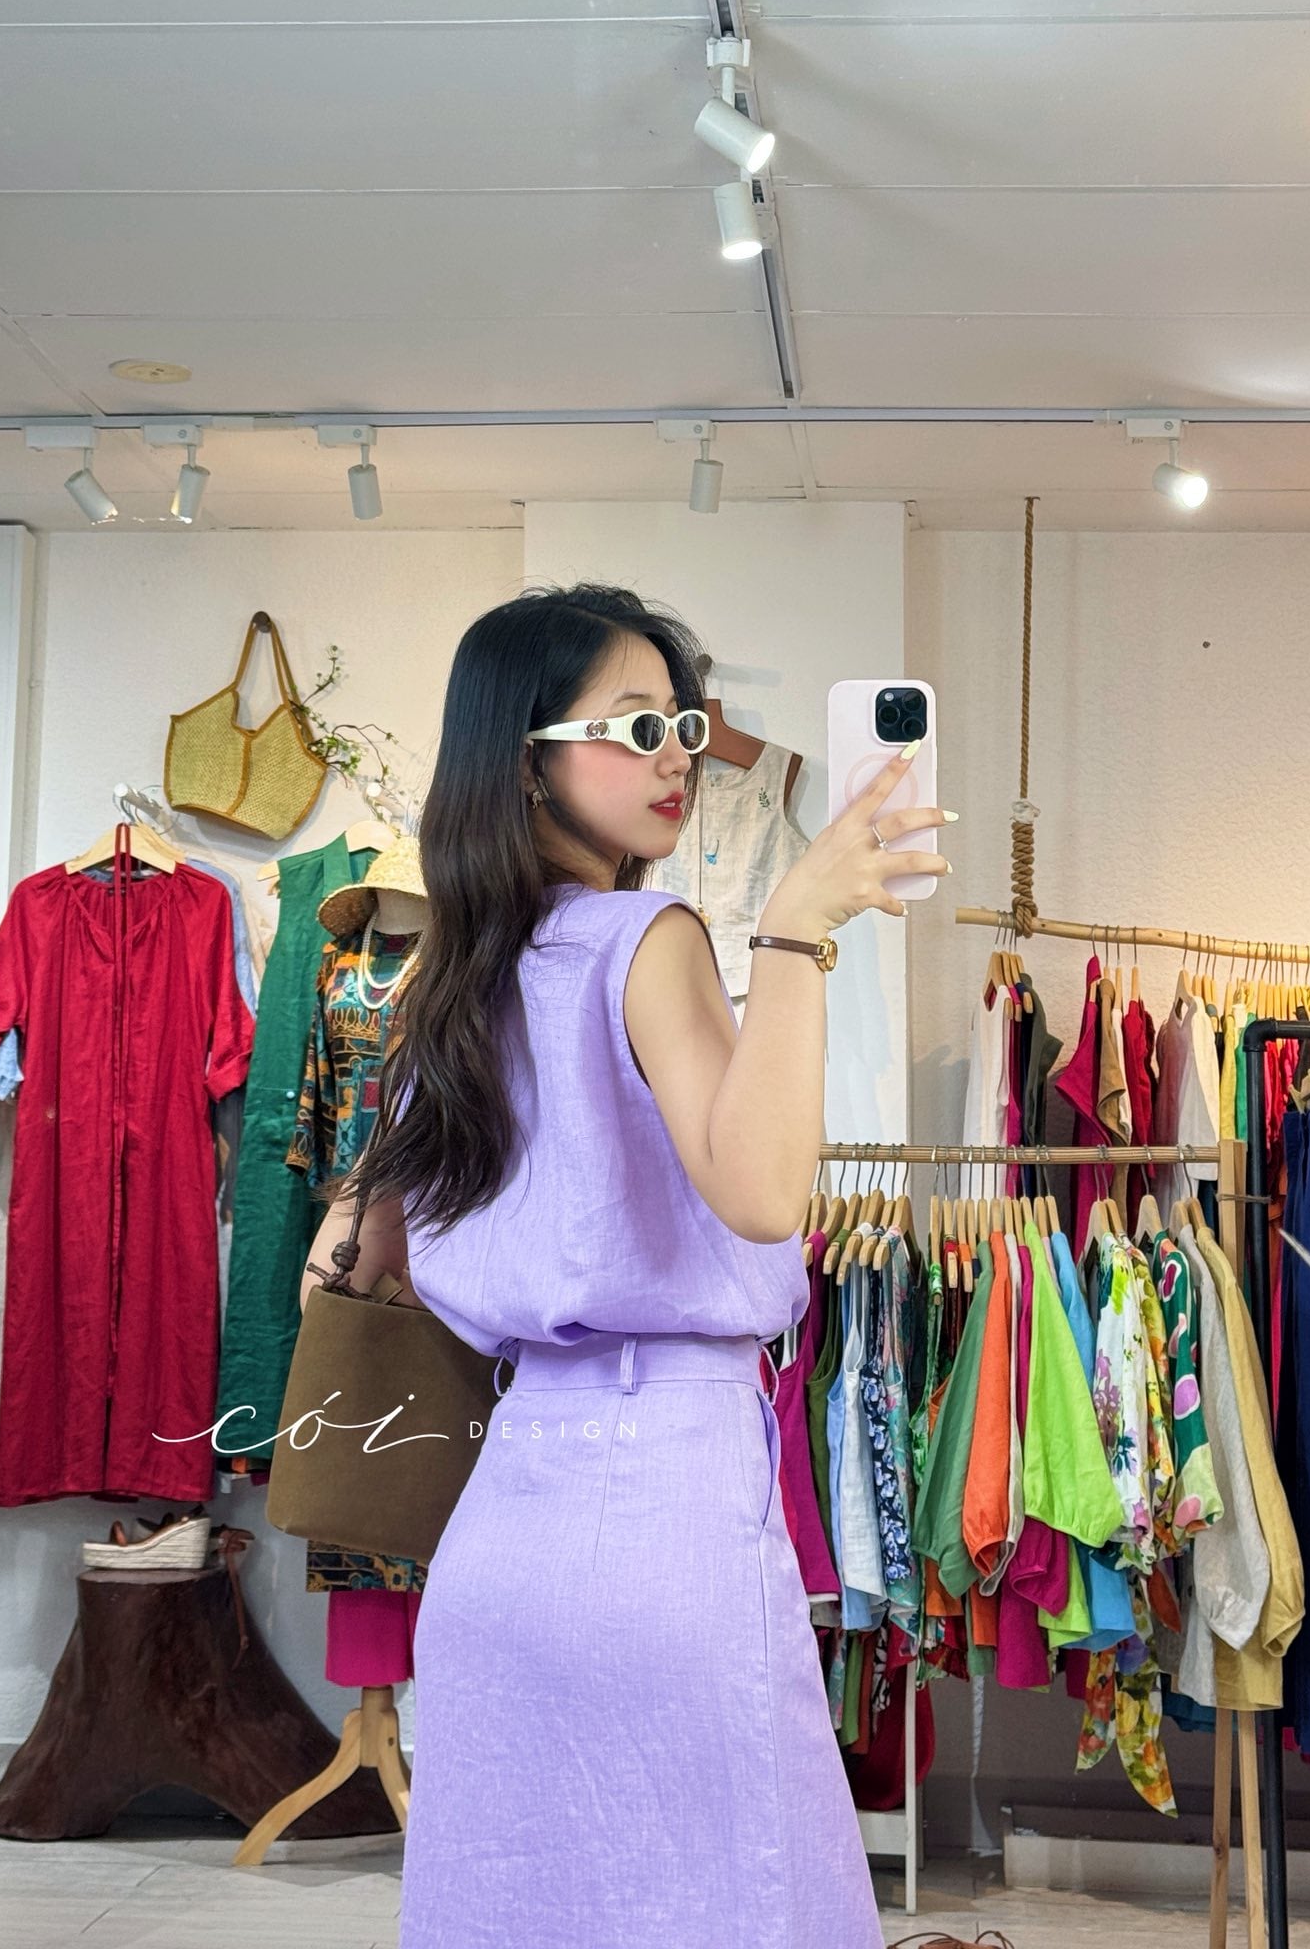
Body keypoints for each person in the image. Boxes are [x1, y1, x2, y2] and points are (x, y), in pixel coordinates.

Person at [301, 582, 951, 1948]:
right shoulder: (643, 941)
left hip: (508, 1517)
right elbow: (763, 1195)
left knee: (520, 1903)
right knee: (732, 1897)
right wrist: (795, 927)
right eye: (636, 725)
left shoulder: (454, 981)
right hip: (665, 1504)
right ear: (525, 755)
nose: (676, 757)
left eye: (683, 725)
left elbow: (365, 1264)